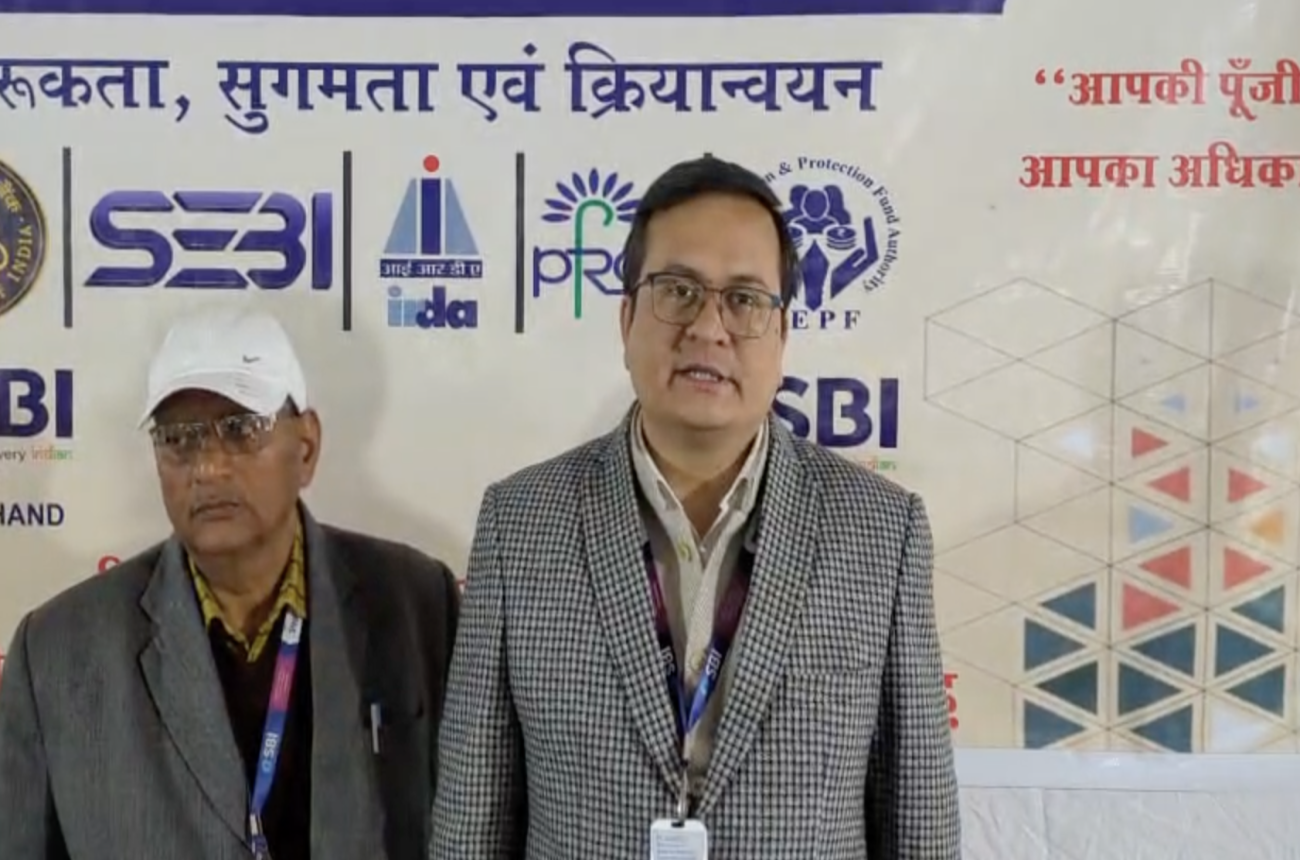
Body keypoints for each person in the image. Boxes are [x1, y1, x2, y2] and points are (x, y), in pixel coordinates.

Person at [431, 156, 961, 859]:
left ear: (781, 335)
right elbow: (473, 813)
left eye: (744, 299)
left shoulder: (881, 532)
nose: (708, 327)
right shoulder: (520, 522)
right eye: (678, 291)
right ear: (627, 319)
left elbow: (918, 817)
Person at [0, 305, 460, 860]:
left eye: (241, 430)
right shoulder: (59, 650)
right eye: (180, 438)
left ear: (306, 447)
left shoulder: (417, 603)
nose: (208, 467)